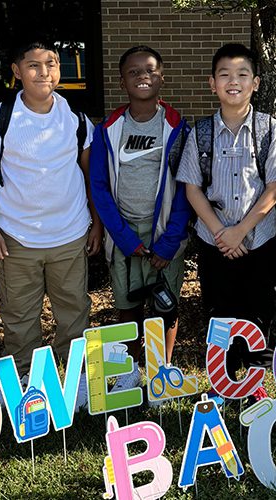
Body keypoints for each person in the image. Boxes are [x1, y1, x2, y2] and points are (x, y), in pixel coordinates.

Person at [0, 41, 102, 409]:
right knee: (19, 314)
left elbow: (89, 173)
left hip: (70, 233)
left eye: (51, 64)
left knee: (74, 309)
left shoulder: (75, 119)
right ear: (17, 71)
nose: (44, 72)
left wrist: (95, 223)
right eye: (33, 65)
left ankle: (74, 378)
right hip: (17, 237)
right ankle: (24, 381)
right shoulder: (1, 117)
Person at [176, 43, 276, 392]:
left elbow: (274, 189)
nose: (233, 81)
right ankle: (222, 381)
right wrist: (220, 233)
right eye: (224, 74)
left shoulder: (270, 130)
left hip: (259, 238)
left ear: (255, 82)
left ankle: (255, 382)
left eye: (242, 74)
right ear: (212, 84)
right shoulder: (200, 133)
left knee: (258, 309)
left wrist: (240, 230)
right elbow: (192, 189)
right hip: (215, 242)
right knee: (219, 310)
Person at [90, 46, 190, 394]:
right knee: (127, 306)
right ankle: (132, 372)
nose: (142, 76)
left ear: (162, 77)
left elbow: (186, 188)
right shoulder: (109, 128)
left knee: (166, 305)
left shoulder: (178, 127)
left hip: (164, 231)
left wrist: (170, 240)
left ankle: (162, 374)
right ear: (122, 82)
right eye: (133, 72)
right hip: (124, 233)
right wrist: (122, 238)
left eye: (149, 70)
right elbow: (99, 187)